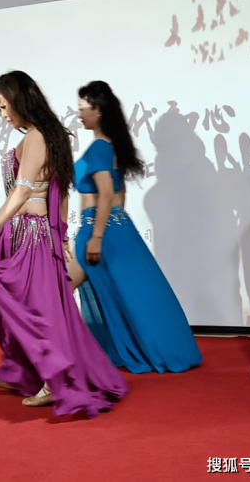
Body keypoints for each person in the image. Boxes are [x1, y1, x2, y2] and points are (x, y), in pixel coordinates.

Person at [0, 71, 128, 418]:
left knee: (39, 311)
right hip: (24, 233)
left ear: (21, 99)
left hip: (31, 235)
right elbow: (62, 190)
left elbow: (23, 191)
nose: (3, 115)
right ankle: (20, 372)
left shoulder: (38, 136)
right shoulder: (43, 134)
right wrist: (61, 234)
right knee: (15, 306)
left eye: (5, 106)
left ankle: (55, 382)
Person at [67, 81, 202, 374]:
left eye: (82, 108)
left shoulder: (100, 148)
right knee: (133, 294)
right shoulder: (112, 146)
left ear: (98, 111)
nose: (79, 114)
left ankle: (61, 356)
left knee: (60, 289)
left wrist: (97, 237)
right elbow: (120, 195)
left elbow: (106, 194)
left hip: (98, 230)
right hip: (115, 227)